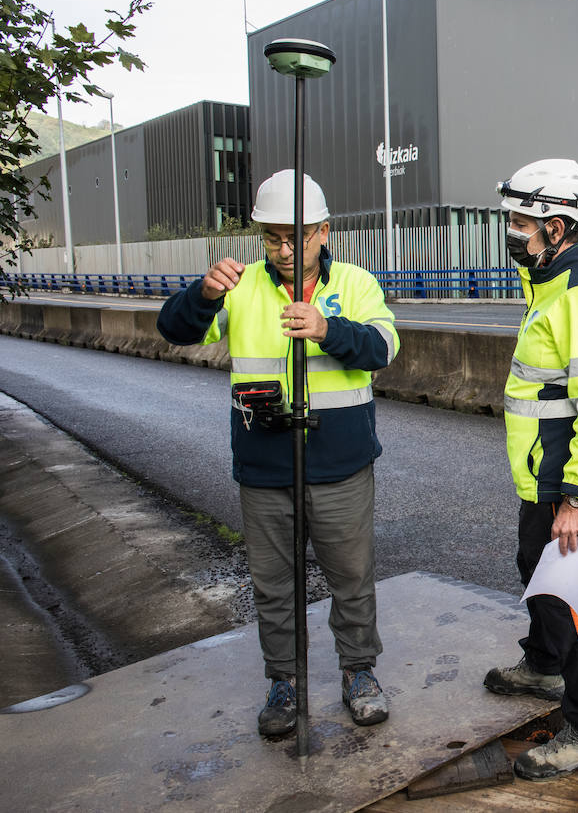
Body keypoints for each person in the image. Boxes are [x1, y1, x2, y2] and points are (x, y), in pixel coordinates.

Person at [157, 169, 400, 737]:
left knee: (351, 576)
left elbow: (383, 347)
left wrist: (327, 328)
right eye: (273, 238)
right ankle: (284, 681)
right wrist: (203, 295)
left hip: (341, 464)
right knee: (273, 583)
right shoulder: (239, 285)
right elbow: (175, 329)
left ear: (323, 232)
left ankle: (358, 672)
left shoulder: (357, 283)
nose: (285, 250)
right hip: (265, 465)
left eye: (297, 237)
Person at [482, 158, 578, 780]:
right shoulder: (549, 277)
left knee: (573, 600)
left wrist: (576, 498)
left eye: (522, 221)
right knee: (534, 568)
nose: (512, 231)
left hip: (570, 477)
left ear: (558, 228)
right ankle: (544, 667)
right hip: (544, 470)